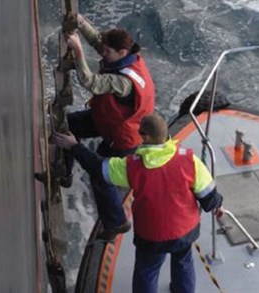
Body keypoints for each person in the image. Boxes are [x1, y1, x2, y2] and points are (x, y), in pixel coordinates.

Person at [51, 113, 224, 293]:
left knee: (147, 271)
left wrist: (74, 146)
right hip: (185, 231)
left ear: (146, 137)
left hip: (152, 236)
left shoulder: (131, 167)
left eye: (140, 131)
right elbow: (209, 197)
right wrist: (218, 205)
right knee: (184, 262)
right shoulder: (190, 160)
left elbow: (98, 169)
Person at [50, 14, 156, 239]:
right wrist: (81, 23)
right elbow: (100, 41)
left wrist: (78, 50)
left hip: (122, 136)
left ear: (122, 53)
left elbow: (90, 82)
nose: (103, 53)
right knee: (71, 124)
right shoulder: (123, 57)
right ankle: (64, 174)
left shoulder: (124, 82)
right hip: (108, 118)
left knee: (101, 176)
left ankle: (117, 223)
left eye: (108, 52)